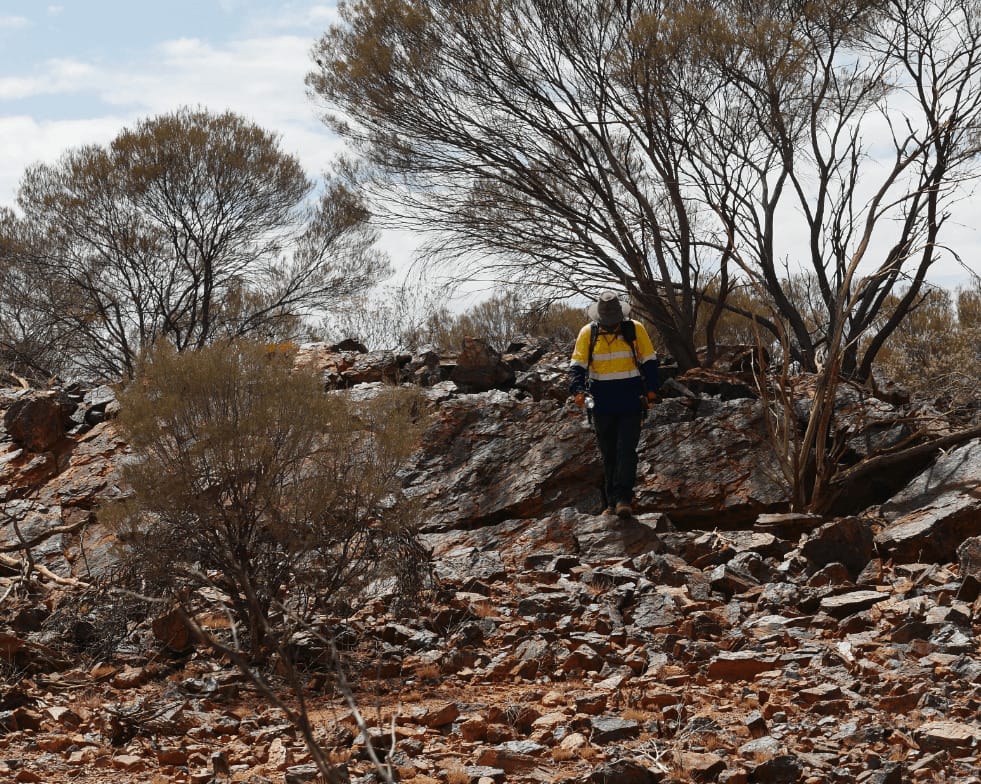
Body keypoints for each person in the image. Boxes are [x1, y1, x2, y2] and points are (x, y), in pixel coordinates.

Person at [569, 291, 661, 518]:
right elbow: (577, 366)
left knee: (626, 450)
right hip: (601, 403)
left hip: (631, 400)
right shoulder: (588, 333)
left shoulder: (635, 329)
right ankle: (611, 503)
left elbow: (649, 362)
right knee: (608, 452)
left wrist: (652, 390)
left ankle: (623, 500)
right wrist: (577, 390)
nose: (611, 324)